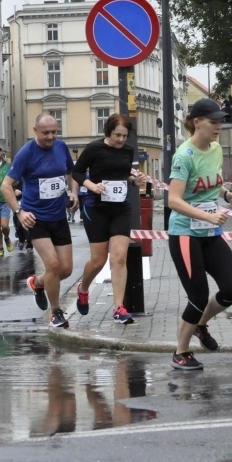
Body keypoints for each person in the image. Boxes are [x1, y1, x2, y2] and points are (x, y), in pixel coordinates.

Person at [167, 99, 232, 370]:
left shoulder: (215, 150)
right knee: (198, 295)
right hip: (185, 234)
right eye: (213, 121)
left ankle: (200, 325)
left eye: (220, 121)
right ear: (196, 121)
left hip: (210, 232)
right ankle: (181, 351)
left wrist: (227, 194)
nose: (218, 126)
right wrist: (209, 215)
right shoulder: (184, 155)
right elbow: (173, 200)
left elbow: (215, 180)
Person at [72, 113, 149, 325]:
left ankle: (119, 308)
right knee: (98, 261)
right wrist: (90, 186)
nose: (121, 140)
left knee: (119, 257)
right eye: (117, 135)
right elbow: (77, 172)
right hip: (96, 208)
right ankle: (84, 288)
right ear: (108, 132)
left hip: (120, 208)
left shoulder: (127, 151)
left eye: (124, 136)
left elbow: (124, 175)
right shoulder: (94, 148)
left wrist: (135, 180)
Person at [2, 112, 77, 328]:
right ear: (35, 131)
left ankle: (37, 282)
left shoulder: (61, 147)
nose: (51, 136)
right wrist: (19, 212)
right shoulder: (26, 154)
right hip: (36, 219)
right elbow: (6, 186)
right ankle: (56, 312)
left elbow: (71, 172)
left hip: (59, 217)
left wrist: (74, 192)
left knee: (66, 270)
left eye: (54, 132)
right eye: (46, 133)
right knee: (53, 265)